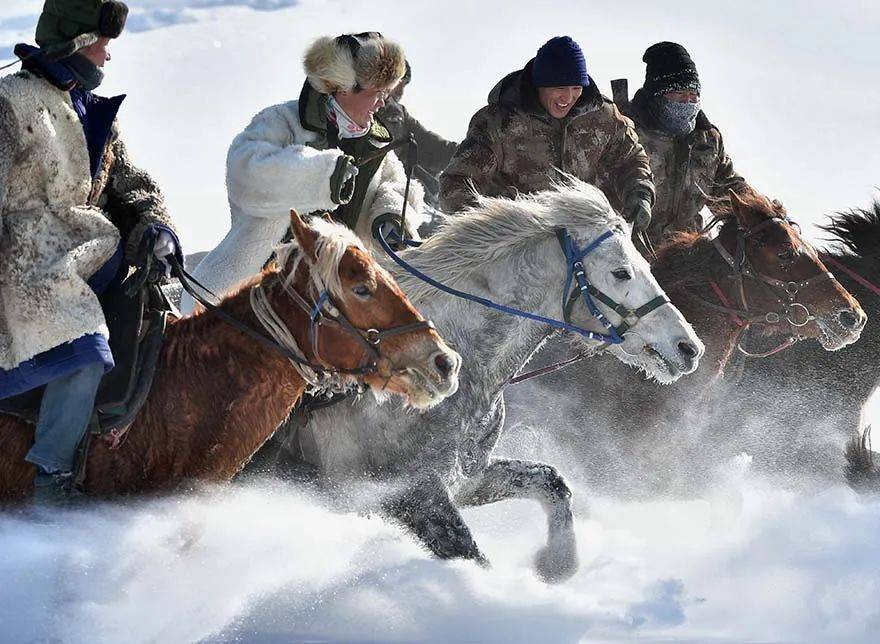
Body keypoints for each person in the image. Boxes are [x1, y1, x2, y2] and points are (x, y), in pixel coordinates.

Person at [0, 0, 182, 504]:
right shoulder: (9, 102)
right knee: (81, 346)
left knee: (152, 308)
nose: (108, 56)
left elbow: (131, 182)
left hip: (85, 249)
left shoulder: (88, 107)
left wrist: (155, 226)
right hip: (24, 261)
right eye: (103, 44)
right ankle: (52, 479)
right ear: (78, 43)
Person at [180, 32, 426, 315]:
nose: (384, 103)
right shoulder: (282, 120)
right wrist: (321, 176)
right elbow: (244, 169)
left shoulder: (375, 140)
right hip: (260, 284)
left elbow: (393, 185)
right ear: (345, 88)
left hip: (336, 295)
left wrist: (390, 216)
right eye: (378, 93)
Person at [439, 36, 654, 229]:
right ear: (539, 83)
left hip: (585, 244)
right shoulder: (498, 123)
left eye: (576, 87)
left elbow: (631, 157)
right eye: (559, 88)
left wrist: (640, 193)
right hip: (516, 248)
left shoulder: (602, 117)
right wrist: (492, 229)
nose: (568, 98)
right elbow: (456, 184)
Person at [618, 42, 757, 244]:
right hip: (632, 255)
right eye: (679, 94)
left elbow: (728, 186)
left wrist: (764, 214)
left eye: (693, 95)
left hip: (687, 256)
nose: (688, 102)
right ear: (657, 94)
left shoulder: (707, 141)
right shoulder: (625, 133)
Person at [377, 61, 458, 205]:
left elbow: (432, 144)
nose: (401, 91)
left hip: (398, 188)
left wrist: (469, 152)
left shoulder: (400, 114)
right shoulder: (359, 101)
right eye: (399, 83)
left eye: (404, 85)